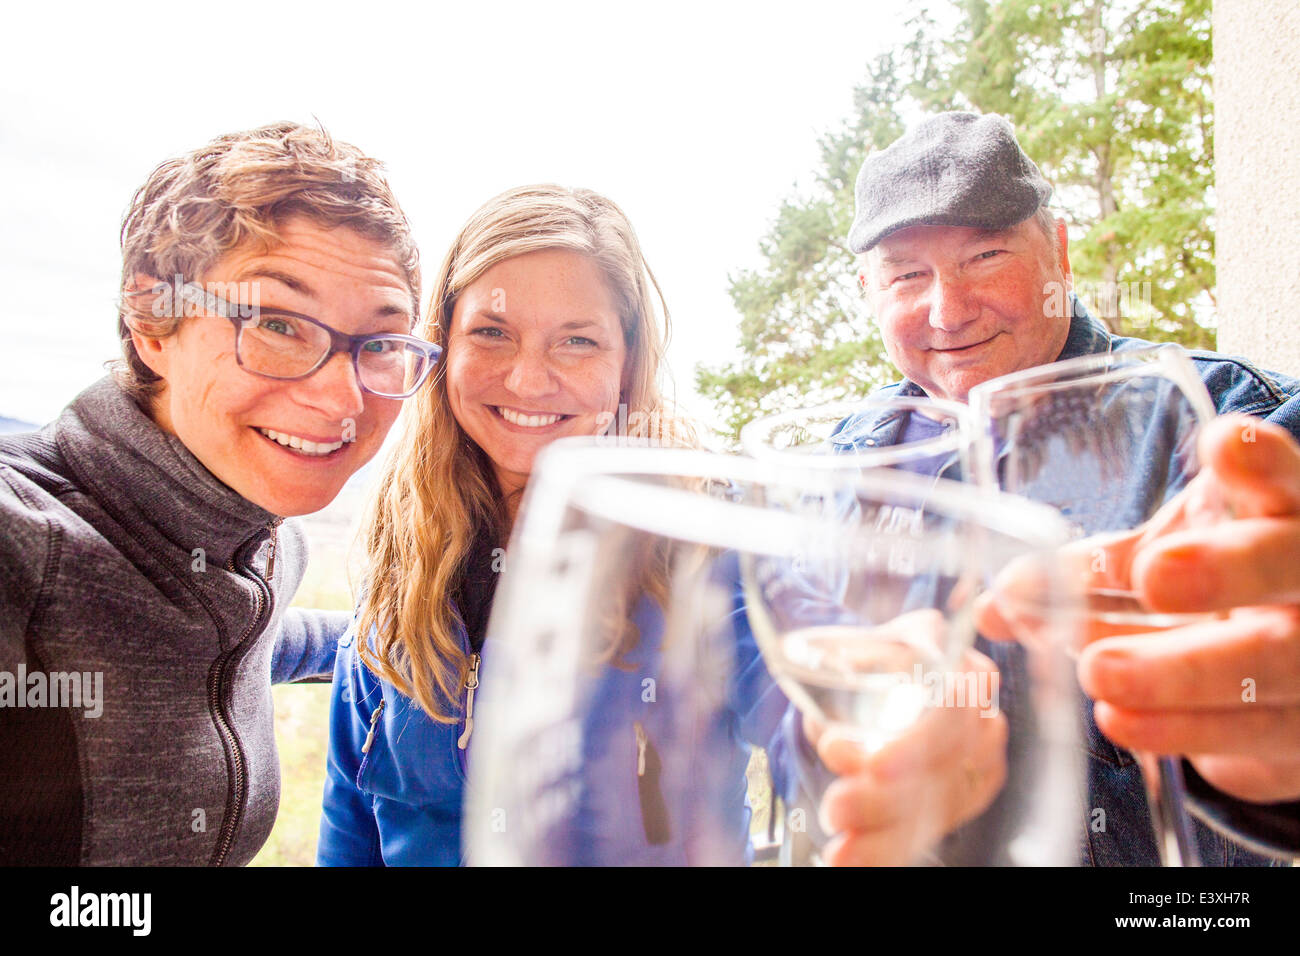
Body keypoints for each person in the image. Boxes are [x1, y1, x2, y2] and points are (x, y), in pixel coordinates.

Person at [316, 184, 1004, 866]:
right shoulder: (403, 545)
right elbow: (349, 819)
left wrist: (892, 734)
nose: (527, 380)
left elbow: (803, 702)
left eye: (577, 342)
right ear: (443, 344)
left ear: (626, 367)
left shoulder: (705, 532)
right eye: (492, 333)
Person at [828, 110, 1300, 863]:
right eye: (908, 275)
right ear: (869, 291)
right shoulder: (845, 464)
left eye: (984, 256)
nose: (948, 310)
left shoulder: (1233, 418)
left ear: (1059, 251)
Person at [0, 122, 438, 865]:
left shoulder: (261, 546)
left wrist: (449, 633)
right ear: (151, 320)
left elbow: (249, 640)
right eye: (275, 323)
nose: (342, 401)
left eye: (381, 342)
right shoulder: (22, 542)